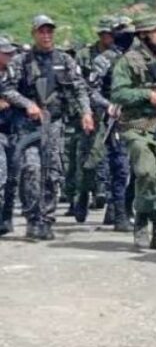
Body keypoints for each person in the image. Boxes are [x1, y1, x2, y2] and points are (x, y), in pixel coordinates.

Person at [1, 15, 94, 240]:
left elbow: (79, 89)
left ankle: (47, 219)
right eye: (41, 32)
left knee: (53, 172)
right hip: (28, 125)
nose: (46, 35)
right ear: (34, 34)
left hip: (54, 123)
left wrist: (86, 112)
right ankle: (33, 217)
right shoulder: (21, 61)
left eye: (49, 31)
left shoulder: (65, 59)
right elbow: (6, 89)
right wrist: (28, 104)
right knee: (31, 169)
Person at [111, 13, 156, 251]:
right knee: (146, 173)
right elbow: (118, 94)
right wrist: (146, 95)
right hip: (137, 127)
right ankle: (141, 221)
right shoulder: (128, 61)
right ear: (143, 35)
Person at [86, 15, 134, 231]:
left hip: (138, 119)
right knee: (120, 167)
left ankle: (122, 208)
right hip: (114, 119)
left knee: (138, 169)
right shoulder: (104, 59)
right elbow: (91, 90)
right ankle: (119, 214)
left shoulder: (137, 58)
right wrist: (108, 106)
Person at [73, 16, 117, 222]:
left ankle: (113, 206)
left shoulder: (121, 54)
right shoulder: (84, 56)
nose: (106, 37)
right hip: (93, 113)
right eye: (103, 33)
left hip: (117, 113)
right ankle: (83, 194)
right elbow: (79, 86)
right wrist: (85, 112)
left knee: (117, 161)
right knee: (91, 160)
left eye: (109, 33)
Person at [0, 36, 17, 236]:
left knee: (14, 177)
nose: (10, 56)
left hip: (15, 130)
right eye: (5, 53)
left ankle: (7, 217)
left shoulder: (14, 72)